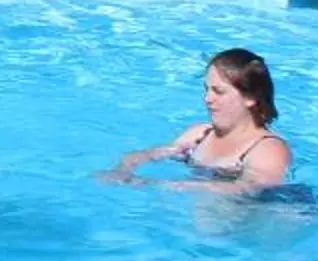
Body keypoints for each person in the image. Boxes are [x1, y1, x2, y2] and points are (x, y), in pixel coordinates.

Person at [108, 48, 292, 190]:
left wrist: (170, 186)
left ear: (250, 98)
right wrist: (122, 169)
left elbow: (248, 188)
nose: (208, 98)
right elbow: (147, 155)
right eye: (207, 89)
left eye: (218, 91)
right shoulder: (199, 135)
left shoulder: (268, 149)